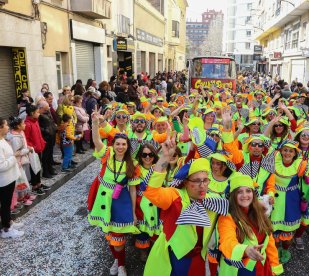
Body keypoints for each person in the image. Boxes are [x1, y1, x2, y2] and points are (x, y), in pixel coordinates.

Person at [141, 138, 228, 275]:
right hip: (173, 259)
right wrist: (165, 157)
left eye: (205, 180)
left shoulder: (213, 201)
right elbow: (151, 191)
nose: (203, 185)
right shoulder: (175, 196)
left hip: (199, 259)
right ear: (186, 182)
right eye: (197, 181)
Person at [88, 107, 140, 276]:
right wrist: (95, 123)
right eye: (117, 143)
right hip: (104, 198)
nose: (120, 147)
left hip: (120, 200)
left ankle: (121, 264)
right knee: (110, 233)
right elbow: (96, 141)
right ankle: (118, 261)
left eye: (123, 144)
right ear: (113, 144)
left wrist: (133, 212)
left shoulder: (132, 164)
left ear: (127, 146)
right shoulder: (107, 154)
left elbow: (132, 190)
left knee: (119, 239)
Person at [217, 173, 284, 275]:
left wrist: (274, 265)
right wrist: (245, 250)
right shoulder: (227, 217)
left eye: (248, 191)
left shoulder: (259, 211)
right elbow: (227, 242)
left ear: (253, 193)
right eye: (239, 192)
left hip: (262, 267)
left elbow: (269, 241)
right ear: (233, 195)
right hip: (239, 270)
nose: (245, 195)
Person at [0, 117, 24, 239]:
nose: (8, 127)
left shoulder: (3, 139)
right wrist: (14, 156)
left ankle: (9, 222)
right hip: (4, 180)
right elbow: (1, 165)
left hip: (9, 178)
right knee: (5, 204)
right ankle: (6, 229)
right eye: (5, 125)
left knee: (7, 203)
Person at [24, 104, 47, 195]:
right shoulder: (27, 124)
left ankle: (39, 183)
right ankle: (34, 186)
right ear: (32, 113)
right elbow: (26, 139)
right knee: (34, 168)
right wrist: (33, 147)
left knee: (38, 167)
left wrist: (42, 142)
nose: (39, 114)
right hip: (33, 150)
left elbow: (38, 135)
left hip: (39, 148)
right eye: (37, 112)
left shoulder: (35, 121)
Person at [38, 100, 57, 178]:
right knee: (45, 156)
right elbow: (38, 127)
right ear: (42, 107)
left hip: (51, 136)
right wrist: (46, 130)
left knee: (50, 154)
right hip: (45, 137)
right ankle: (45, 172)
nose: (48, 108)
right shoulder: (38, 115)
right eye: (46, 108)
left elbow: (51, 122)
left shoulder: (47, 113)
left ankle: (50, 169)